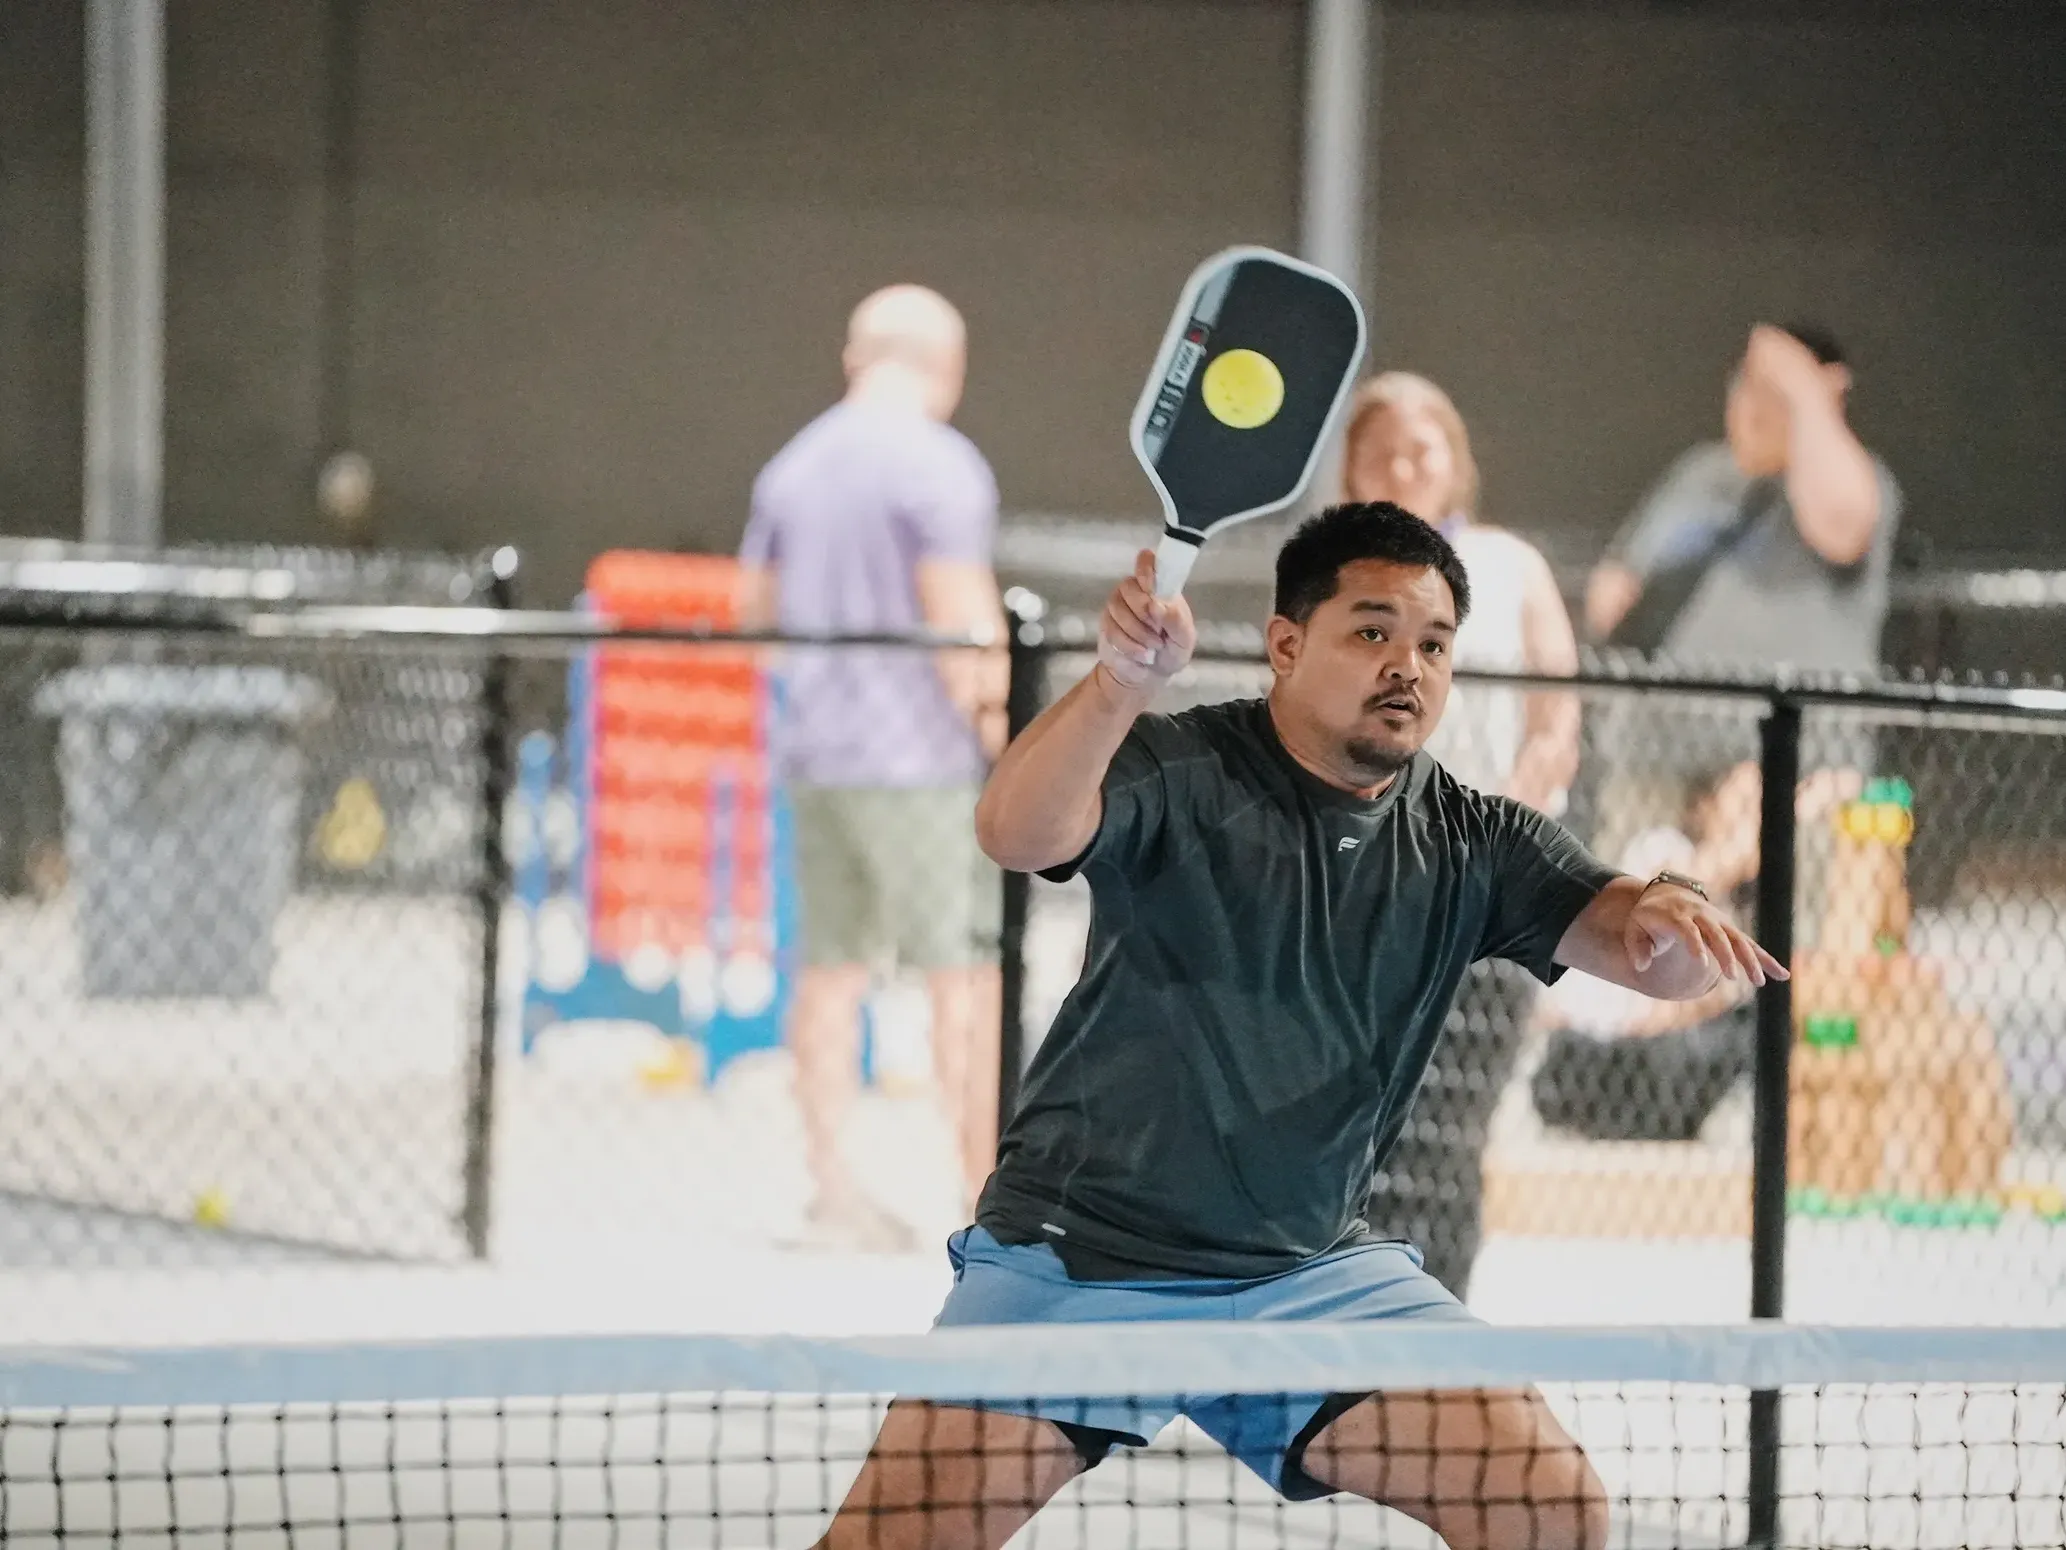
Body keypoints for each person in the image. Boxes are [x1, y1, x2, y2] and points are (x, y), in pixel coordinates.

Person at [814, 503, 1783, 1550]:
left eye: (1432, 642)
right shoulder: (1180, 766)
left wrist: (1674, 902)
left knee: (1549, 1507)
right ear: (1286, 644)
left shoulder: (1473, 839)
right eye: (1370, 631)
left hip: (1304, 1280)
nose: (1405, 665)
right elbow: (1014, 828)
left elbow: (1646, 948)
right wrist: (1115, 687)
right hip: (1081, 1264)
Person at [739, 284, 1007, 1251]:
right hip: (924, 763)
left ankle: (833, 1190)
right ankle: (985, 1200)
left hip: (818, 754)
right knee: (968, 978)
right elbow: (961, 621)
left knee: (829, 972)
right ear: (949, 366)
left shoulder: (793, 467)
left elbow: (755, 618)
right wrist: (1005, 741)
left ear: (857, 358)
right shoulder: (942, 468)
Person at [1341, 373, 1582, 1298]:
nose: (1405, 464)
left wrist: (1491, 841)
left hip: (1487, 895)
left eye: (1423, 446)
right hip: (1364, 889)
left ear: (1456, 459)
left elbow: (1556, 721)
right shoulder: (1331, 581)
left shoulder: (1512, 567)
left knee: (1453, 1126)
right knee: (1362, 1128)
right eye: (1383, 449)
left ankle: (1434, 1330)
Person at [1581, 322, 1900, 878]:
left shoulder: (1859, 478)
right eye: (1745, 384)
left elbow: (1843, 522)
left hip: (1796, 770)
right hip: (1655, 760)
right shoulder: (1697, 475)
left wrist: (1804, 391)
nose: (1752, 404)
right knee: (1625, 926)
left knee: (1783, 947)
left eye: (1773, 391)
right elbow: (1614, 593)